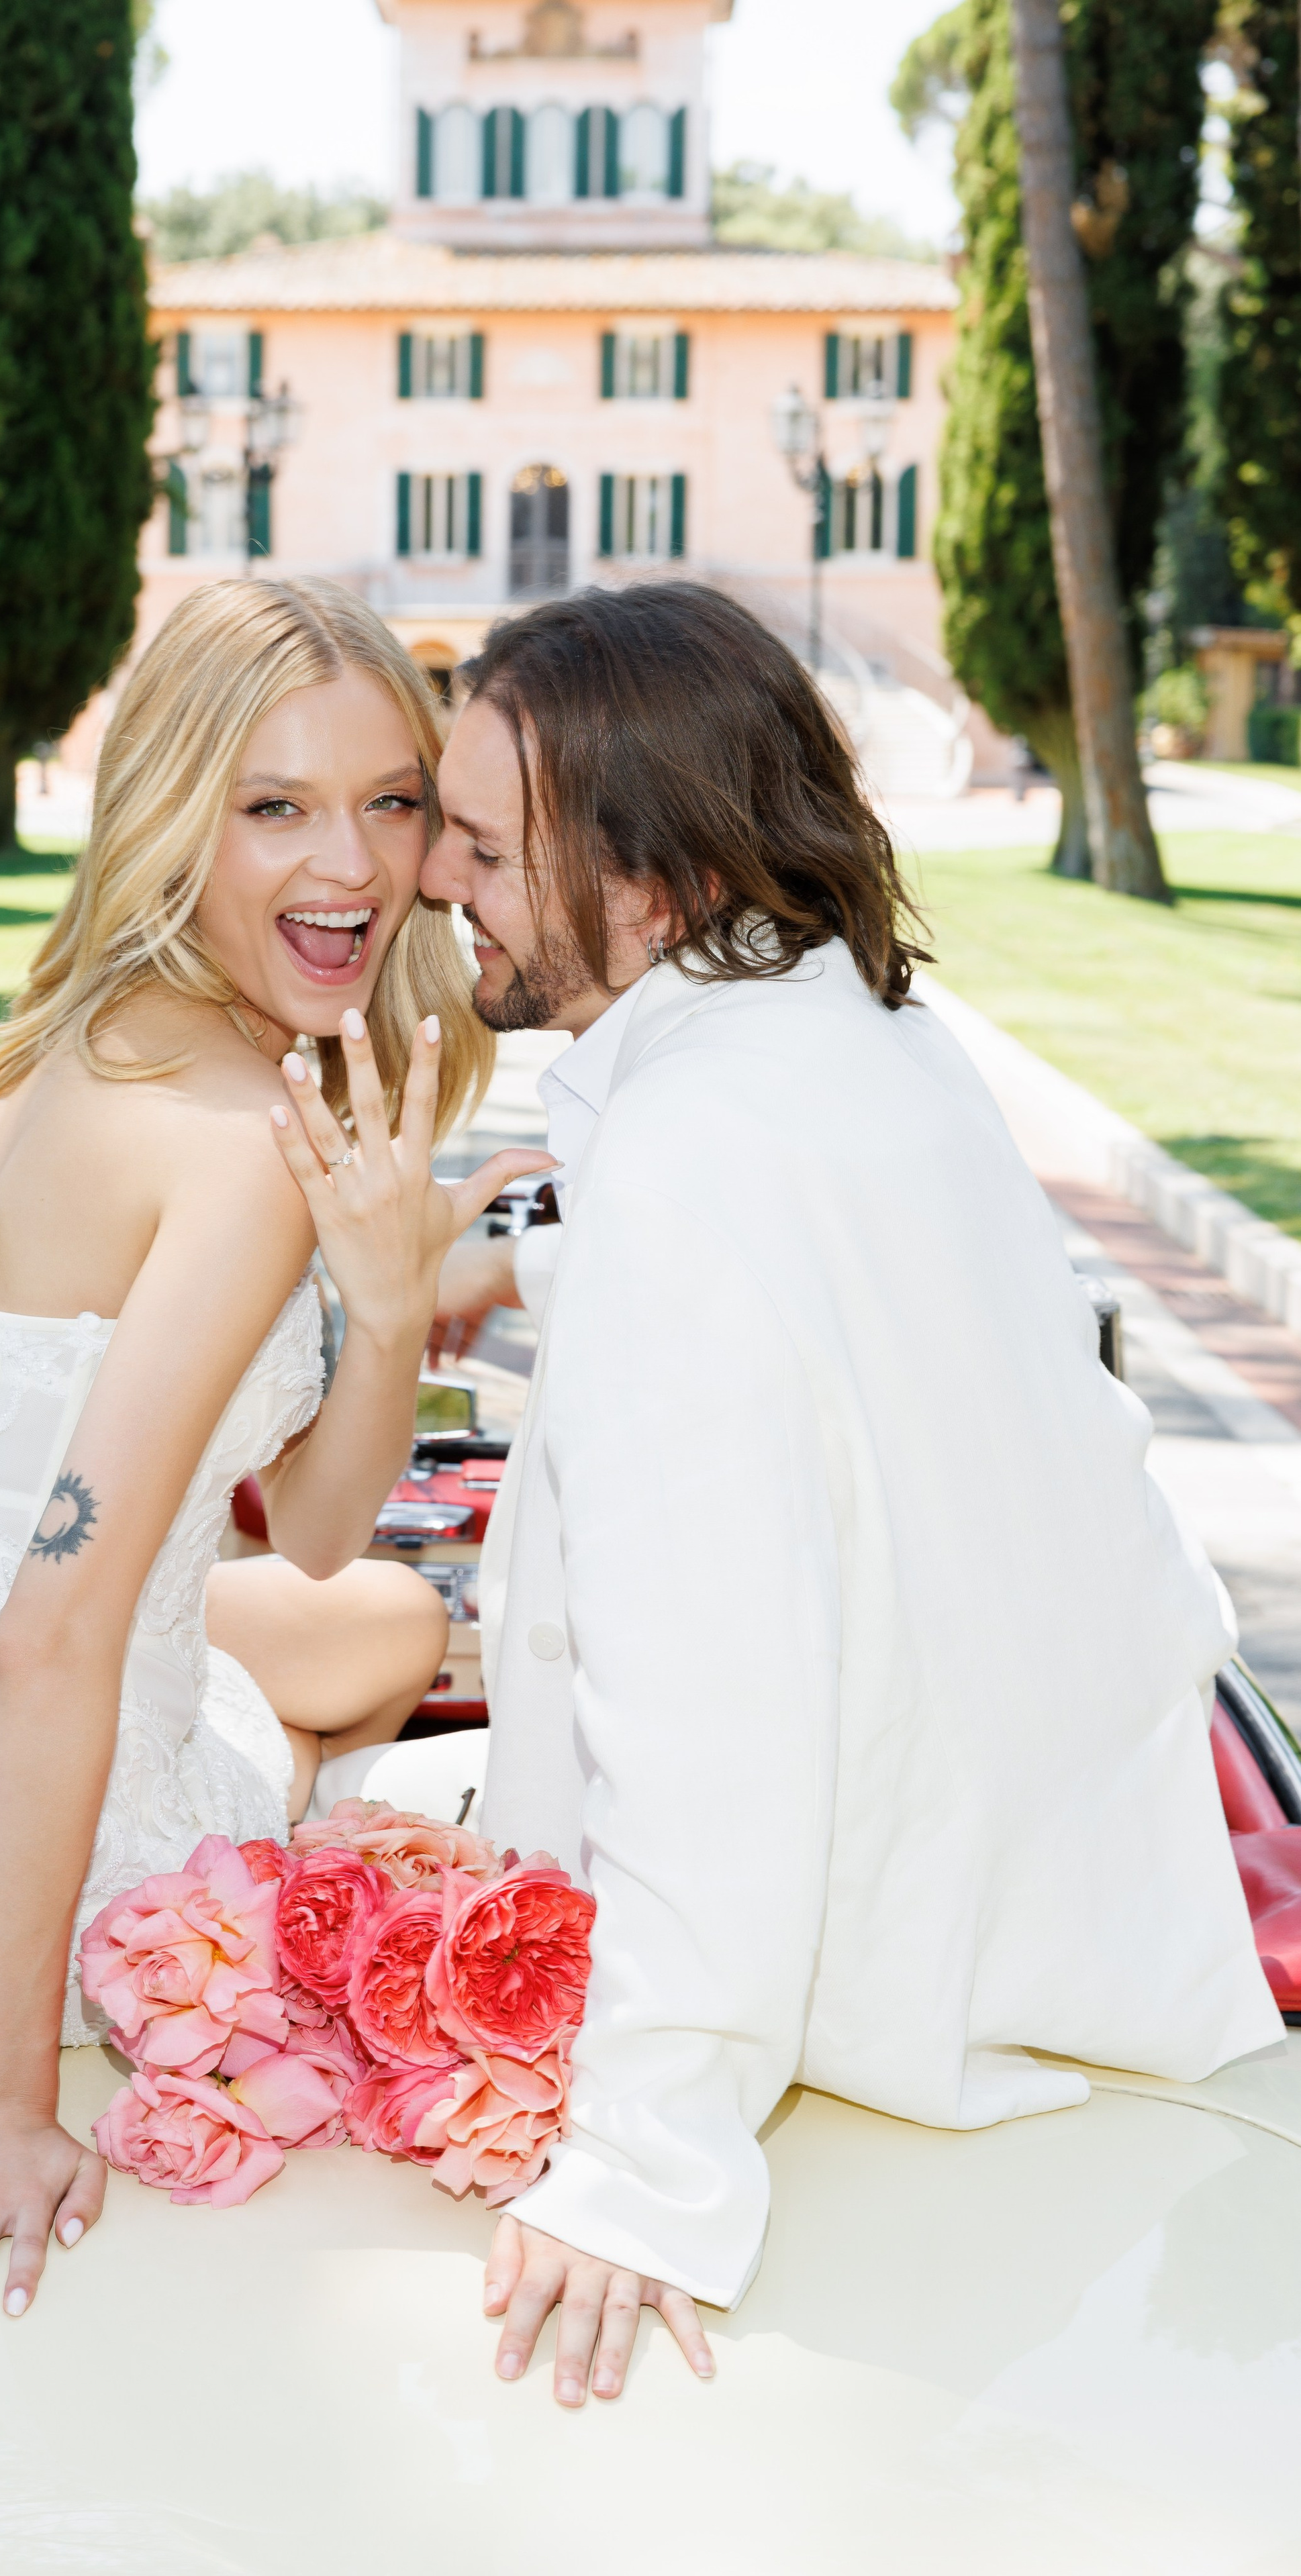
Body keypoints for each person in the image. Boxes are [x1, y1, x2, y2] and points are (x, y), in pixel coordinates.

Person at [393, 581, 1280, 2408]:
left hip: (901, 2022)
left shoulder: (694, 1172)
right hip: (1077, 1940)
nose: (431, 882)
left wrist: (645, 2167)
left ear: (655, 883)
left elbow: (716, 1710)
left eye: (484, 847)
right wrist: (544, 1281)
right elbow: (861, 1328)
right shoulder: (863, 1033)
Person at [0, 577, 548, 2326]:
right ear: (177, 811)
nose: (356, 867)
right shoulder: (243, 1145)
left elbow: (315, 1538)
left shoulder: (58, 1037)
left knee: (385, 1620)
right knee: (372, 1671)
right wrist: (6, 2112)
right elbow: (54, 1632)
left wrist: (390, 1309)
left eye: (392, 801)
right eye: (276, 809)